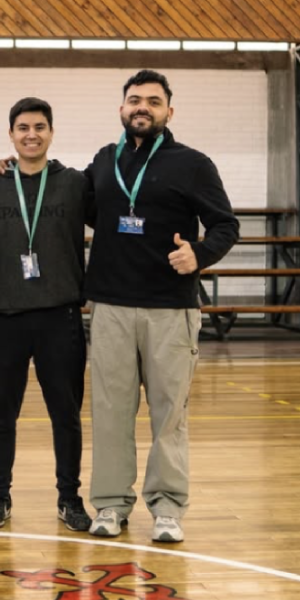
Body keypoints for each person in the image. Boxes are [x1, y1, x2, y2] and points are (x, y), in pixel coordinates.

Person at [85, 70, 239, 542]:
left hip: (171, 308)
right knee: (110, 412)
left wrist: (200, 254)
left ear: (169, 111)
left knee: (169, 415)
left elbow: (225, 225)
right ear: (121, 109)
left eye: (153, 101)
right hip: (111, 306)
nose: (143, 107)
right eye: (135, 100)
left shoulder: (192, 164)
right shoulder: (103, 161)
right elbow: (76, 206)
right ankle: (110, 504)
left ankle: (167, 507)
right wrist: (12, 170)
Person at [0, 98, 92, 532]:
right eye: (23, 128)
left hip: (60, 317)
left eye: (39, 127)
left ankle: (69, 497)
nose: (31, 135)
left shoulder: (75, 184)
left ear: (51, 133)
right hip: (5, 317)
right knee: (1, 415)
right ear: (11, 134)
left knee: (66, 415)